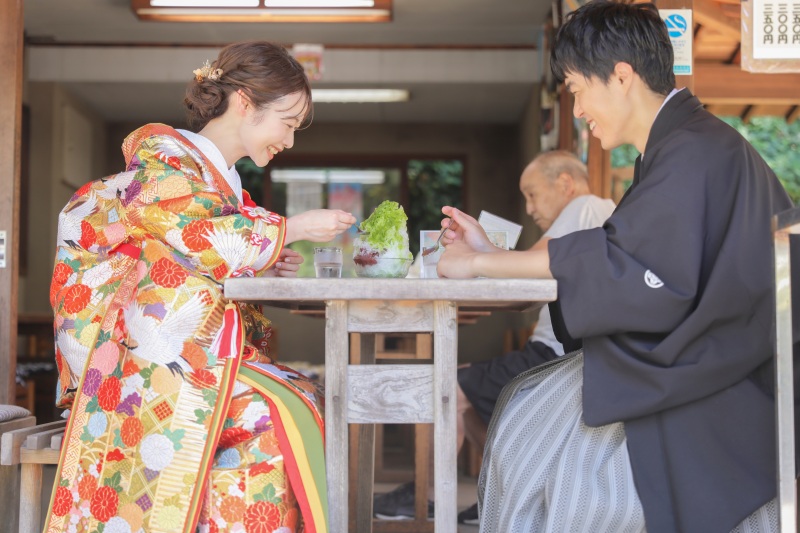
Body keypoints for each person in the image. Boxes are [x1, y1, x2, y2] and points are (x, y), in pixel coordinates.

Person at [437, 2, 799, 532]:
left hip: (718, 376)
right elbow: (627, 258)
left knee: (535, 433)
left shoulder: (693, 152)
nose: (578, 107)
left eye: (579, 89)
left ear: (621, 77)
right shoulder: (688, 146)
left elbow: (632, 267)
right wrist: (486, 258)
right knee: (529, 414)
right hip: (708, 356)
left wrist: (479, 263)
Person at [45, 41, 355, 533]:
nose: (290, 141)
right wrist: (288, 229)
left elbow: (198, 256)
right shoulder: (163, 159)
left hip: (186, 348)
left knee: (302, 395)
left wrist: (259, 267)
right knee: (269, 413)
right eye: (288, 123)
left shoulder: (222, 184)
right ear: (246, 103)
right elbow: (194, 235)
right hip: (143, 360)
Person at [372, 150, 616, 524]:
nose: (530, 207)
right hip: (562, 350)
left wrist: (477, 258)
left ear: (565, 184)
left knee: (450, 388)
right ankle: (509, 490)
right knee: (462, 388)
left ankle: (429, 498)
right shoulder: (598, 215)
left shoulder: (585, 206)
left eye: (532, 194)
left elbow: (532, 268)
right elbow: (532, 280)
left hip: (556, 354)